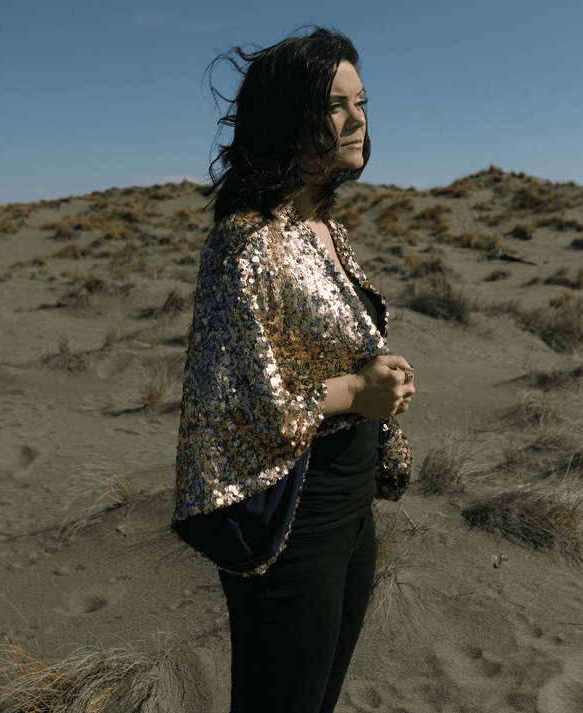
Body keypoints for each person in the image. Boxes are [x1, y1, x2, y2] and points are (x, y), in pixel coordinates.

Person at [171, 26, 415, 713]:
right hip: (291, 517)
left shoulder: (327, 230)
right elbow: (238, 399)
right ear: (287, 118)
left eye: (360, 101)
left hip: (351, 507)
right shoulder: (245, 239)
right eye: (334, 105)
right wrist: (357, 390)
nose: (356, 118)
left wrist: (380, 381)